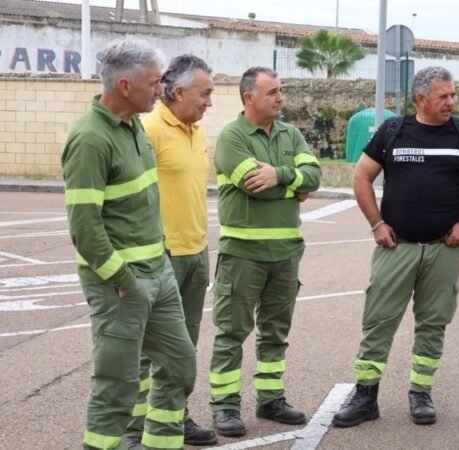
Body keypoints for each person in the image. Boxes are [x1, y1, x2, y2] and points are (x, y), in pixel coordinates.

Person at [332, 66, 459, 427]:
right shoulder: (393, 131)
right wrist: (376, 224)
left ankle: (421, 393)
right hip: (397, 248)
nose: (451, 102)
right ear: (420, 99)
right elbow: (361, 177)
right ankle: (365, 397)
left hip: (444, 249)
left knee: (433, 323)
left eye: (453, 94)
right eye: (444, 96)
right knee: (378, 323)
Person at [61, 38, 196, 450]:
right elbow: (84, 227)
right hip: (122, 283)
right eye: (155, 83)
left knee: (179, 366)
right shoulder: (89, 139)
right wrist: (122, 280)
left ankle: (162, 443)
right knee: (117, 384)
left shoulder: (134, 123)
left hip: (159, 273)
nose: (162, 90)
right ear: (124, 85)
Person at [209, 67, 321, 437]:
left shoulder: (292, 134)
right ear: (249, 97)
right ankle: (225, 407)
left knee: (275, 331)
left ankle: (270, 399)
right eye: (272, 91)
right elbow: (254, 185)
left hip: (286, 253)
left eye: (281, 90)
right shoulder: (231, 137)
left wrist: (280, 175)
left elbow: (315, 177)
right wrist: (293, 183)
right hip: (242, 254)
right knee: (232, 332)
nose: (280, 97)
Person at [122, 55, 217, 447]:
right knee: (147, 349)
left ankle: (175, 416)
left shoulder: (194, 130)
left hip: (196, 253)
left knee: (183, 347)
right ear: (178, 92)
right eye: (205, 93)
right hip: (161, 256)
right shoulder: (149, 129)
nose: (209, 102)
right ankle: (133, 427)